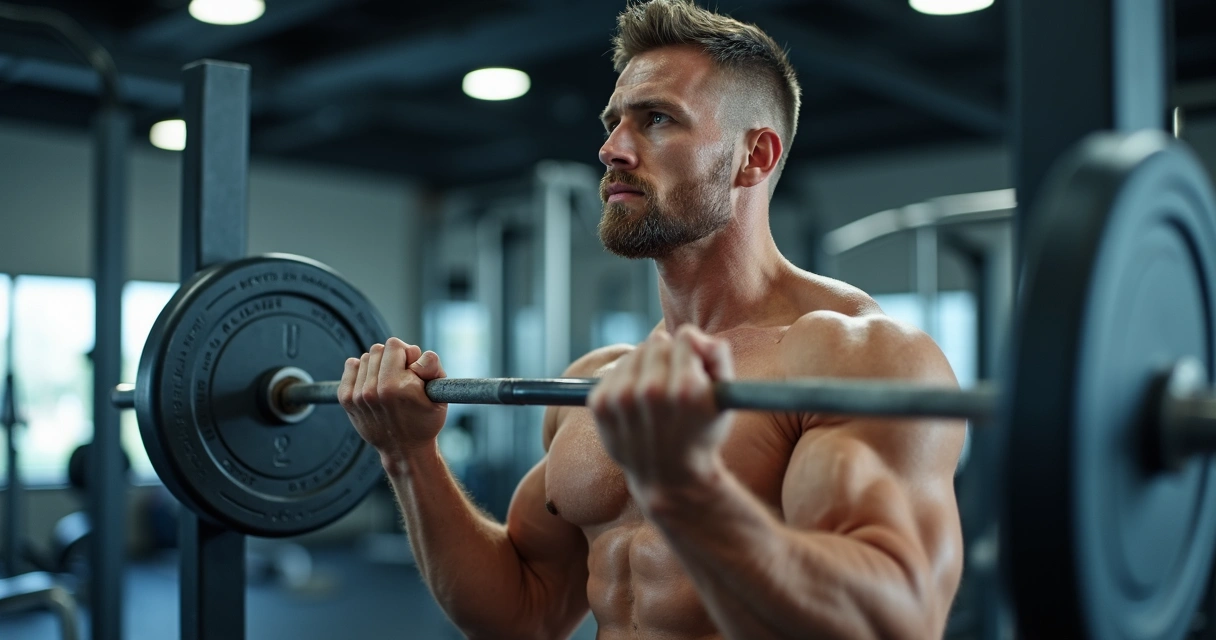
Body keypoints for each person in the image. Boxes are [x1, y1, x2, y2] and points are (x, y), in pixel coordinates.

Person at [338, 1, 965, 638]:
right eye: (613, 124)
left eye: (657, 119)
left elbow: (897, 625)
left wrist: (688, 491)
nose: (611, 149)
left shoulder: (854, 358)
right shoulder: (597, 382)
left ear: (754, 156)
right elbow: (522, 611)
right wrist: (409, 453)